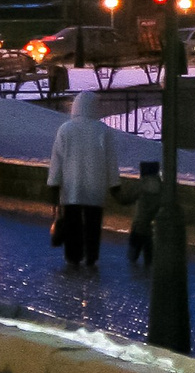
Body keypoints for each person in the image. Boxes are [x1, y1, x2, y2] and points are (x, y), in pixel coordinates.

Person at [46, 91, 121, 270]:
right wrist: (114, 185)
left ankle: (73, 256)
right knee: (93, 225)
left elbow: (57, 160)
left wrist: (53, 184)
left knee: (72, 223)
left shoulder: (65, 129)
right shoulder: (103, 131)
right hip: (95, 188)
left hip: (71, 189)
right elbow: (111, 162)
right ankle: (91, 256)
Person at [120, 159, 161, 265]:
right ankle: (149, 263)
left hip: (139, 224)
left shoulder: (142, 184)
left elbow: (129, 198)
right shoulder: (161, 186)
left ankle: (134, 262)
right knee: (149, 249)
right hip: (151, 224)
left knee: (133, 253)